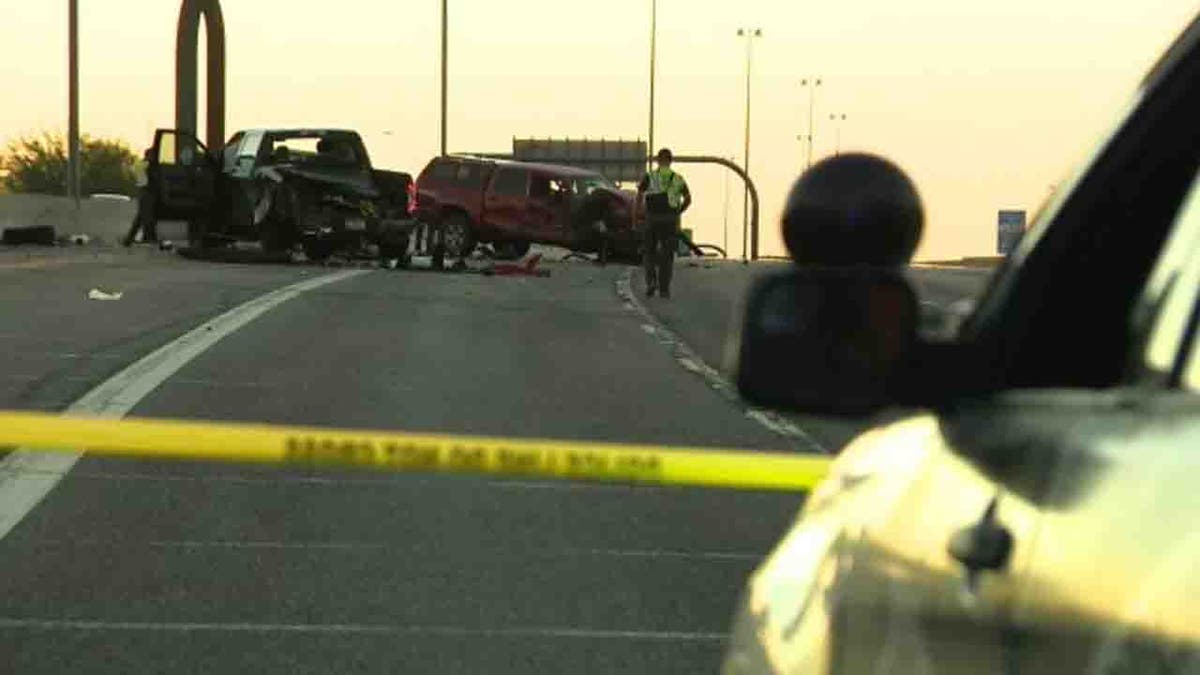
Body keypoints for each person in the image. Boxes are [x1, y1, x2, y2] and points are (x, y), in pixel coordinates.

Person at [637, 148, 692, 298]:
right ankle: (664, 289)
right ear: (670, 161)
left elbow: (640, 194)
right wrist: (678, 211)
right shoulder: (678, 179)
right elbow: (688, 199)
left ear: (657, 160)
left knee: (649, 252)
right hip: (669, 220)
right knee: (667, 255)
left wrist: (638, 213)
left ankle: (651, 283)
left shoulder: (650, 176)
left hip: (652, 218)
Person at [122, 147, 158, 246]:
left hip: (143, 192)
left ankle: (131, 239)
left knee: (142, 217)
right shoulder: (145, 165)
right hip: (146, 192)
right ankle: (148, 238)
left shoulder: (139, 165)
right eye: (153, 155)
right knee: (145, 217)